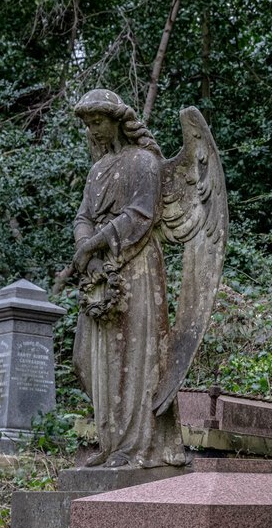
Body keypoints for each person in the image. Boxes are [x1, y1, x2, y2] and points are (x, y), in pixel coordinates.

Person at [69, 89, 186, 468]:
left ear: (118, 120)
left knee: (132, 355)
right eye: (87, 124)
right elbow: (83, 216)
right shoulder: (97, 169)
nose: (92, 130)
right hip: (100, 270)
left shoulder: (144, 161)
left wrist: (94, 245)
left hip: (135, 266)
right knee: (88, 359)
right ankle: (108, 441)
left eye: (98, 121)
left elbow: (141, 215)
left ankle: (134, 447)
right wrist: (85, 245)